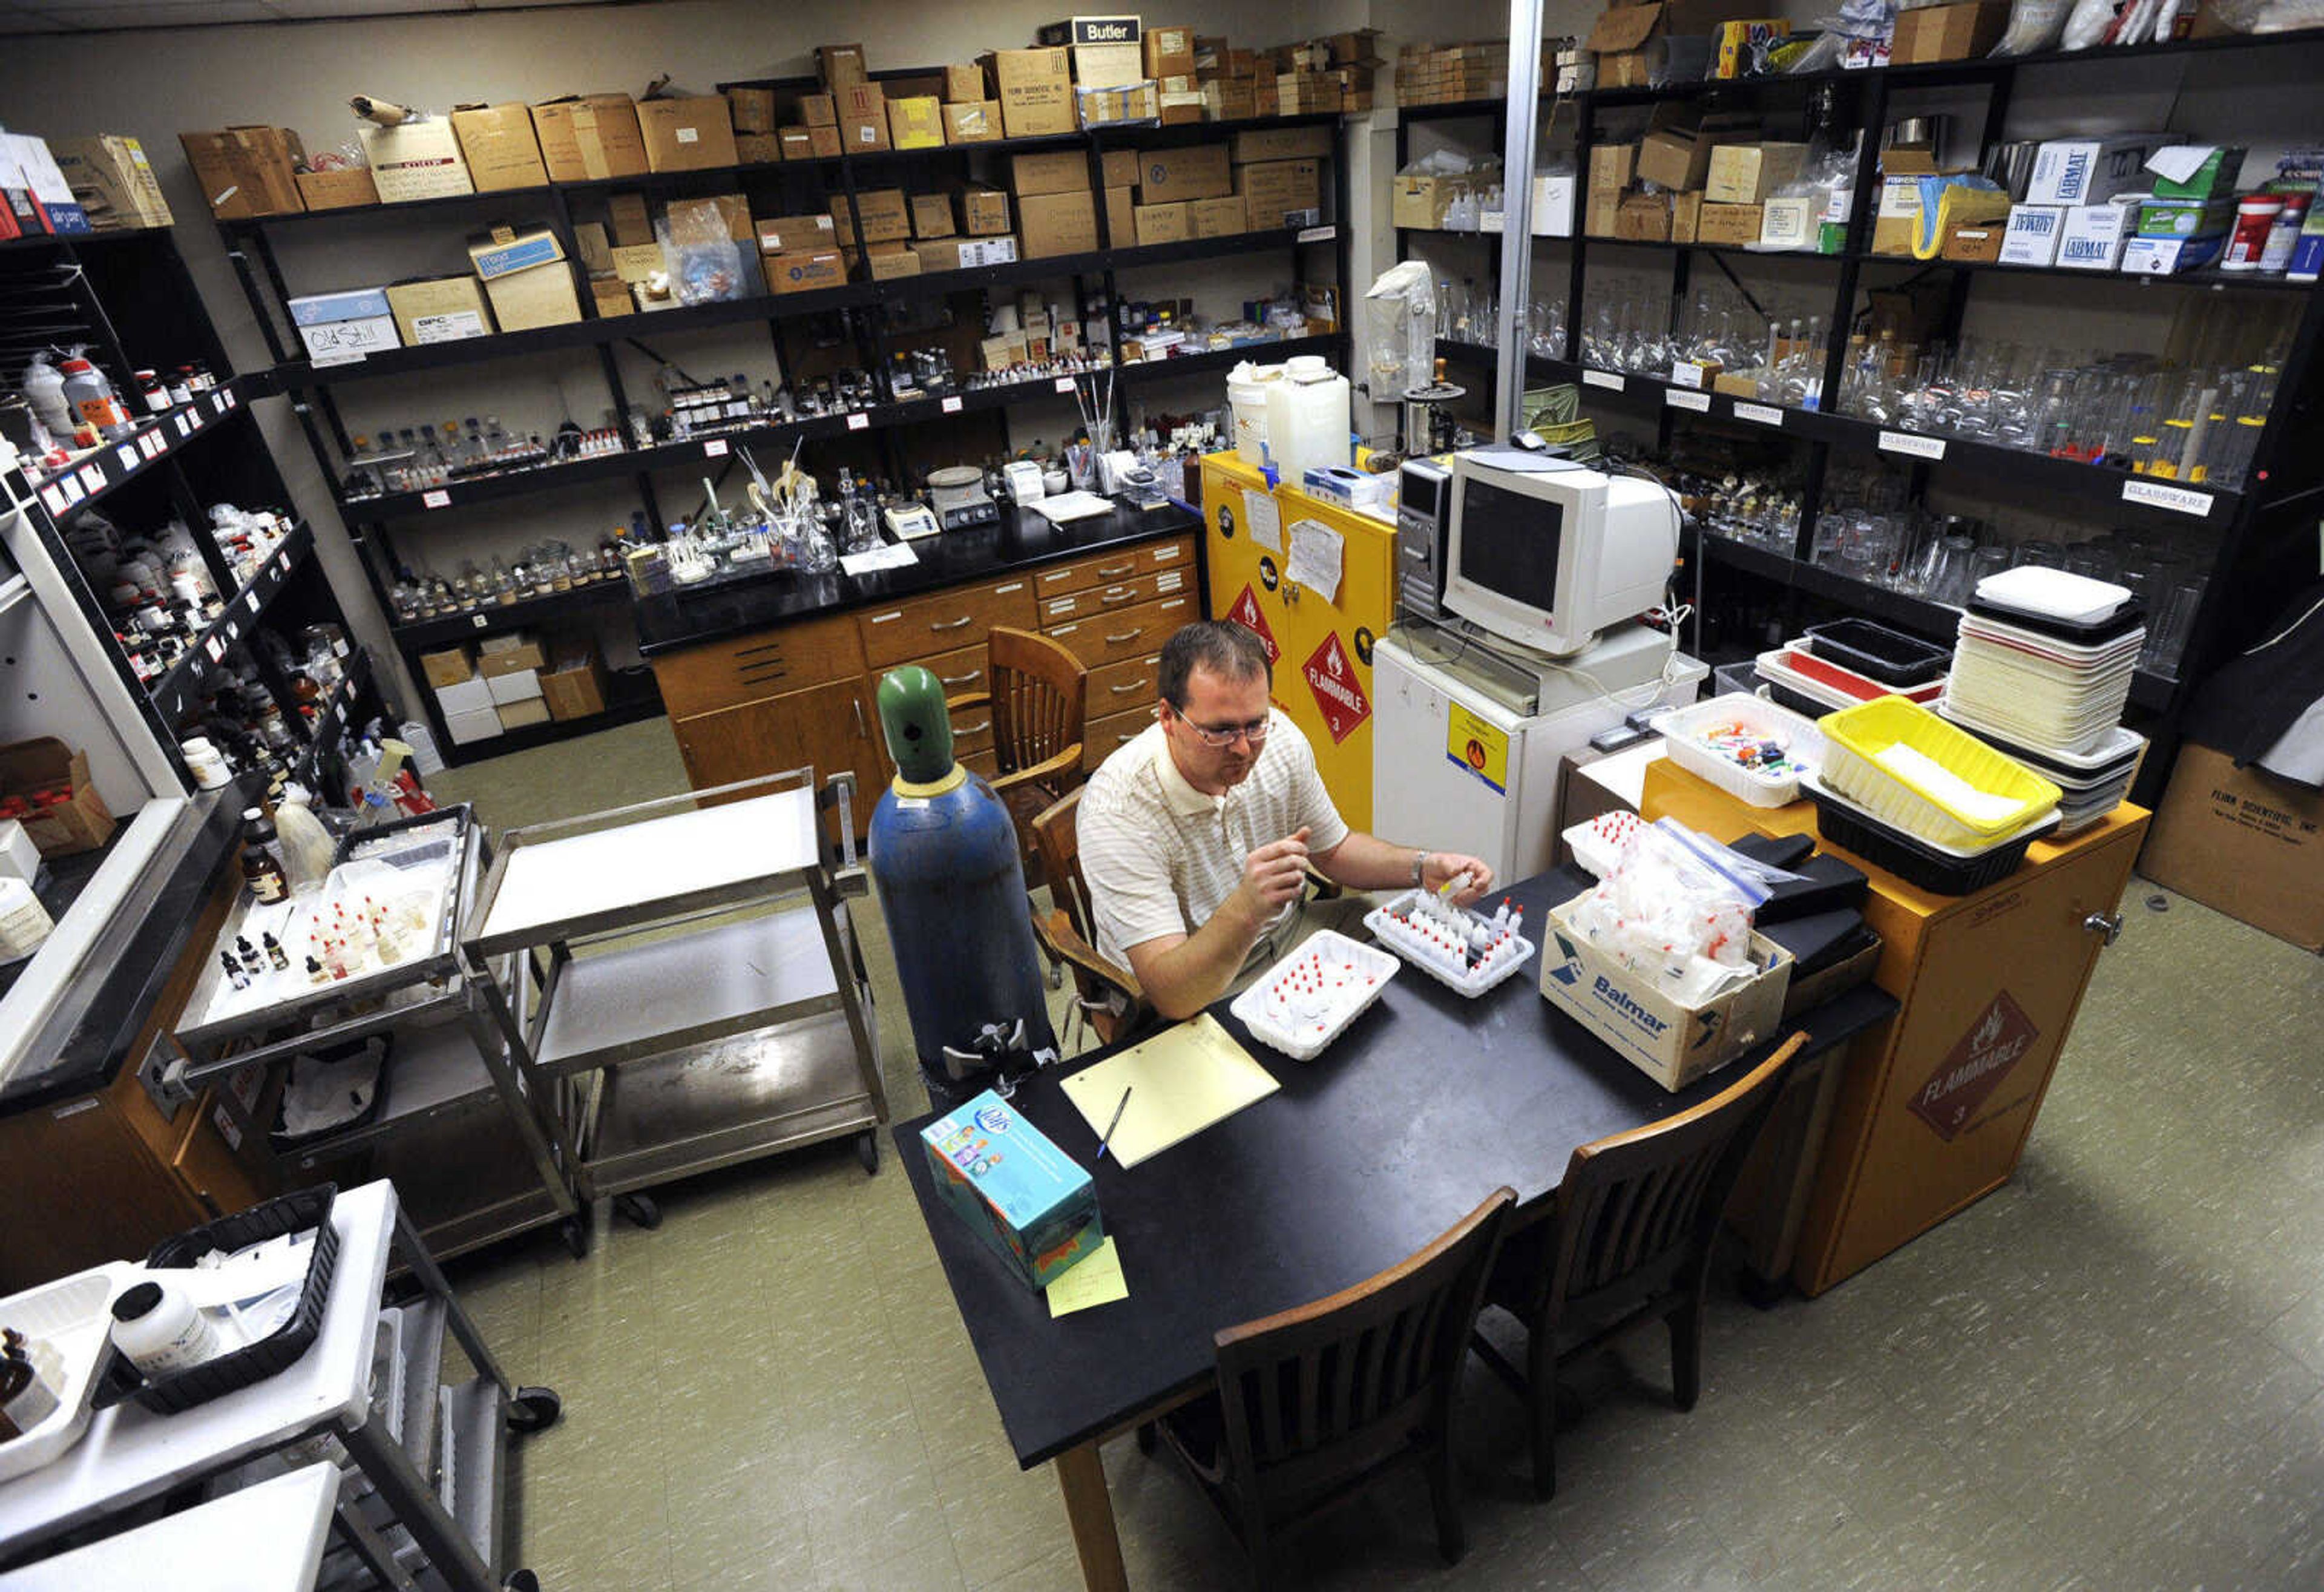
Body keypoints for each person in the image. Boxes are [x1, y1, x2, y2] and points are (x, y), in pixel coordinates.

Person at [1077, 619, 1495, 1019]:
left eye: (1255, 724)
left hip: (1288, 935)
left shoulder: (1279, 742)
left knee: (1405, 955)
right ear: (1168, 718)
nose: (1243, 749)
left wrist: (1423, 867)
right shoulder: (1119, 809)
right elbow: (1172, 995)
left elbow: (1336, 851)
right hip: (1195, 988)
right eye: (1220, 731)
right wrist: (1246, 908)